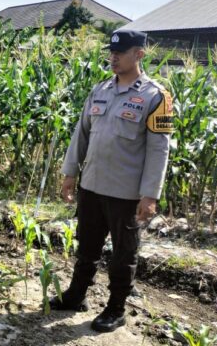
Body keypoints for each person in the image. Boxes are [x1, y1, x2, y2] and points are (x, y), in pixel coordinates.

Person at [50, 29, 174, 332]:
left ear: (139, 55)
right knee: (87, 248)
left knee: (123, 254)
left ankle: (116, 308)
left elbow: (160, 149)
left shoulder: (157, 96)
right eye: (111, 52)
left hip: (126, 193)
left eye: (121, 52)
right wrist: (70, 173)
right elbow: (81, 133)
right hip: (91, 185)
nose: (113, 57)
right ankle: (76, 295)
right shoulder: (100, 90)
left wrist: (150, 195)